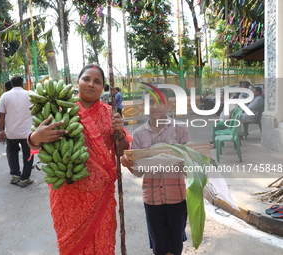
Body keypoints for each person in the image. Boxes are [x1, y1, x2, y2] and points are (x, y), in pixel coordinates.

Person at [27, 64, 131, 254]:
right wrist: (36, 137)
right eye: (86, 79)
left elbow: (121, 152)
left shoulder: (110, 114)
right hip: (67, 193)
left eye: (97, 81)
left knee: (103, 243)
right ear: (77, 82)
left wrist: (120, 134)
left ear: (103, 88)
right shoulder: (59, 109)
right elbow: (35, 144)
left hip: (101, 196)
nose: (91, 84)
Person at [121, 88, 190, 255]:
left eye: (160, 101)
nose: (155, 106)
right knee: (160, 248)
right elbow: (139, 172)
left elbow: (188, 168)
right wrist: (128, 164)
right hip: (152, 200)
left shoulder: (180, 130)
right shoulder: (138, 134)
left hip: (177, 197)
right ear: (144, 105)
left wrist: (197, 158)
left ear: (169, 105)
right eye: (151, 102)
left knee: (176, 246)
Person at [0, 76, 34, 187]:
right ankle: (25, 178)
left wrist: (0, 131)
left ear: (11, 84)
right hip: (27, 132)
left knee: (12, 153)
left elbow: (0, 115)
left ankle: (15, 175)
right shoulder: (30, 95)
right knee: (28, 154)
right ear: (22, 83)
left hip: (11, 132)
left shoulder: (5, 96)